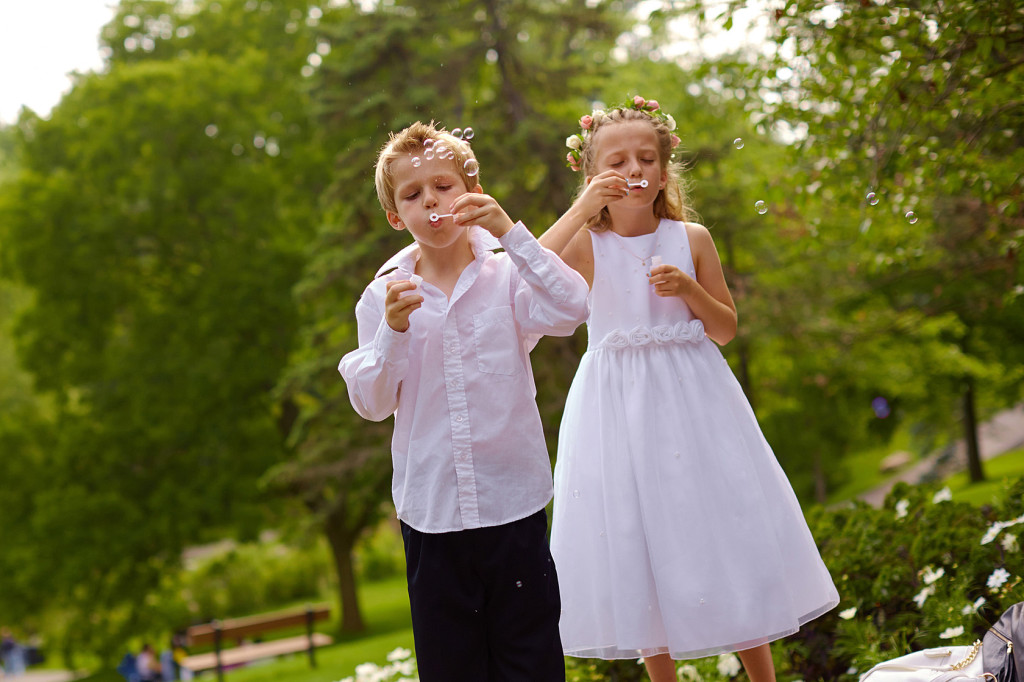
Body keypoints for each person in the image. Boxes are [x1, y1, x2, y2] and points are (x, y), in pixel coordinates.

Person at [541, 95, 840, 682]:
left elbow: (725, 328)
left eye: (646, 158)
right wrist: (583, 208)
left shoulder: (692, 238)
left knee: (723, 524)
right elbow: (529, 261)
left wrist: (688, 291)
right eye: (618, 162)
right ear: (593, 173)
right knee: (635, 532)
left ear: (665, 165)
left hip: (694, 402)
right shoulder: (587, 244)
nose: (634, 172)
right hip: (617, 408)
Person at [339, 121, 590, 682]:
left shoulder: (507, 275)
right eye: (412, 193)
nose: (431, 200)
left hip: (514, 507)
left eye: (444, 185)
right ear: (395, 217)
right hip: (433, 519)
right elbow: (373, 403)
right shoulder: (383, 296)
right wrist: (392, 332)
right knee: (452, 669)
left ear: (469, 192)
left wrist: (511, 230)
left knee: (533, 663)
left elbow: (573, 307)